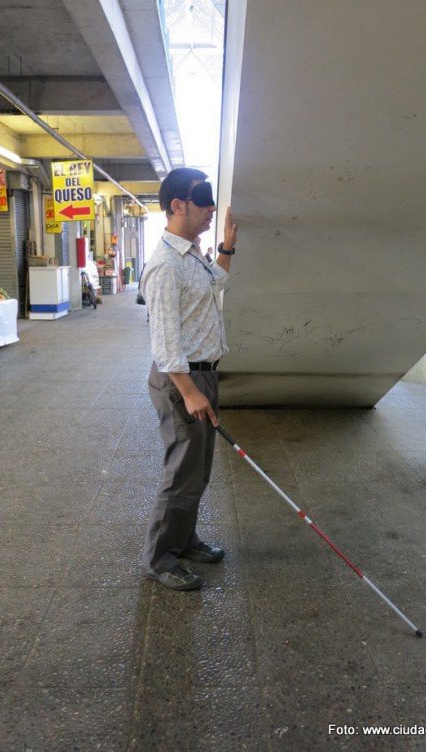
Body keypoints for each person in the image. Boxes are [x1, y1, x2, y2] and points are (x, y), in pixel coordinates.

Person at [141, 167, 238, 591]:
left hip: (202, 377)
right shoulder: (165, 265)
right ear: (177, 205)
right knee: (182, 472)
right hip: (182, 381)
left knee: (198, 471)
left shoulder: (192, 253)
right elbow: (164, 343)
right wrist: (189, 392)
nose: (212, 208)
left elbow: (215, 281)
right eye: (204, 201)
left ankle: (184, 539)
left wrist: (226, 248)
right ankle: (161, 558)